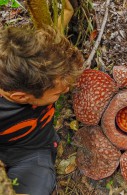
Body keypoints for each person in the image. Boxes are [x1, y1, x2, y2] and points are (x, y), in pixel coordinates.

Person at [0, 25, 83, 195]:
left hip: (32, 152)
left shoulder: (40, 69)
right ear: (21, 97)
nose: (66, 91)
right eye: (57, 93)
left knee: (38, 187)